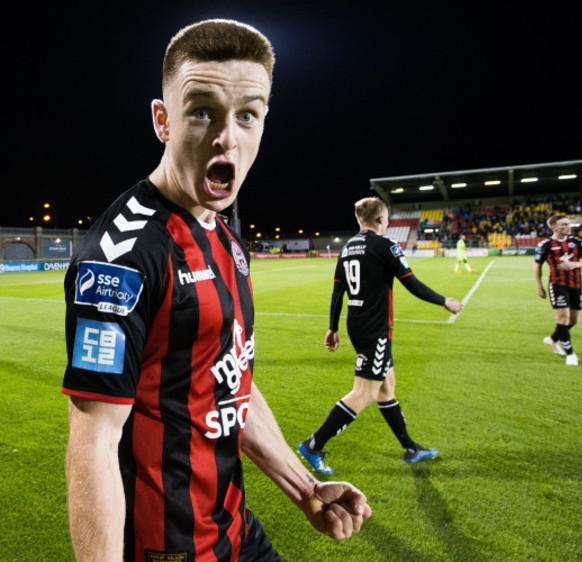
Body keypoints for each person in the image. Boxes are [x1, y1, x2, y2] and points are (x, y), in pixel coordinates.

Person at [62, 19, 371, 562]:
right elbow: (94, 443)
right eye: (202, 110)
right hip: (170, 548)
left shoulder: (224, 227)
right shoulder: (124, 258)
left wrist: (305, 491)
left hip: (234, 531)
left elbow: (229, 381)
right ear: (163, 120)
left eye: (247, 115)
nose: (227, 136)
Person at [298, 197, 463, 474]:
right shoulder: (386, 245)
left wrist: (333, 327)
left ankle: (411, 448)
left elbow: (338, 291)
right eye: (387, 218)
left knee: (387, 386)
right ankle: (313, 445)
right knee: (364, 393)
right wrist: (443, 300)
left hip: (358, 324)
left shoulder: (348, 247)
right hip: (375, 329)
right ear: (380, 220)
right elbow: (411, 283)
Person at [534, 214, 582, 366]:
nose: (568, 227)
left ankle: (552, 339)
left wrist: (574, 265)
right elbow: (537, 267)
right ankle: (570, 354)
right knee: (562, 319)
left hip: (576, 284)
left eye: (568, 224)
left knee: (573, 320)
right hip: (557, 284)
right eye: (564, 224)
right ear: (555, 228)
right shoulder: (545, 245)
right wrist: (539, 287)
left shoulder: (576, 242)